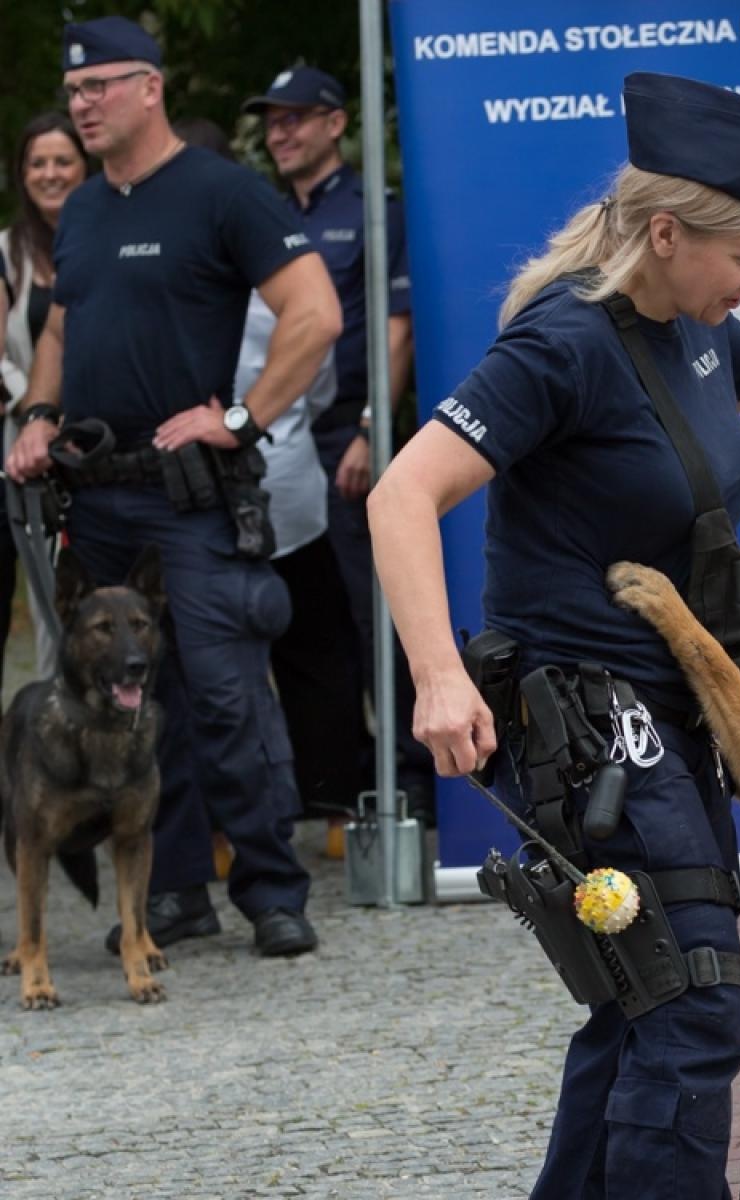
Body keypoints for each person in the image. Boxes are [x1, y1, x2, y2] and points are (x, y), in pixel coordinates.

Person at [368, 71, 740, 1198]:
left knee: (643, 1001)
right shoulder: (565, 342)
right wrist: (436, 676)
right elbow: (401, 495)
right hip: (581, 725)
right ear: (667, 232)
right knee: (690, 999)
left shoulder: (691, 328)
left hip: (664, 720)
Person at [5, 16, 342, 956]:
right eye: (74, 92)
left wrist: (240, 417)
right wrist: (39, 414)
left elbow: (315, 314)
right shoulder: (84, 209)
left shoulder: (221, 193)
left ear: (150, 88)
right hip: (95, 493)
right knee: (130, 703)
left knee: (228, 696)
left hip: (190, 494)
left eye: (99, 87)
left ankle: (272, 892)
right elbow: (61, 328)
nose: (82, 105)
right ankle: (176, 890)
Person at [242, 66, 433, 821]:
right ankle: (337, 780)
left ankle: (410, 777)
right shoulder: (260, 215)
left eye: (296, 117)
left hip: (348, 436)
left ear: (335, 124)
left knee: (373, 609)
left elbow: (397, 330)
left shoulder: (374, 213)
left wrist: (369, 431)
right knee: (305, 618)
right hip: (274, 437)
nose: (281, 132)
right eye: (272, 121)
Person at [174, 114, 364, 832]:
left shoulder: (213, 272)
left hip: (246, 485)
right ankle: (327, 806)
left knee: (239, 658)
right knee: (305, 652)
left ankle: (240, 823)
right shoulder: (268, 266)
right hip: (271, 476)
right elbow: (315, 386)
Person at [2, 112, 91, 688]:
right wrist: (36, 409)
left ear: (86, 167)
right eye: (38, 163)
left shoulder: (110, 238)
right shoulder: (6, 252)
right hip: (27, 449)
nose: (50, 173)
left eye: (63, 161)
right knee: (46, 599)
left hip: (103, 442)